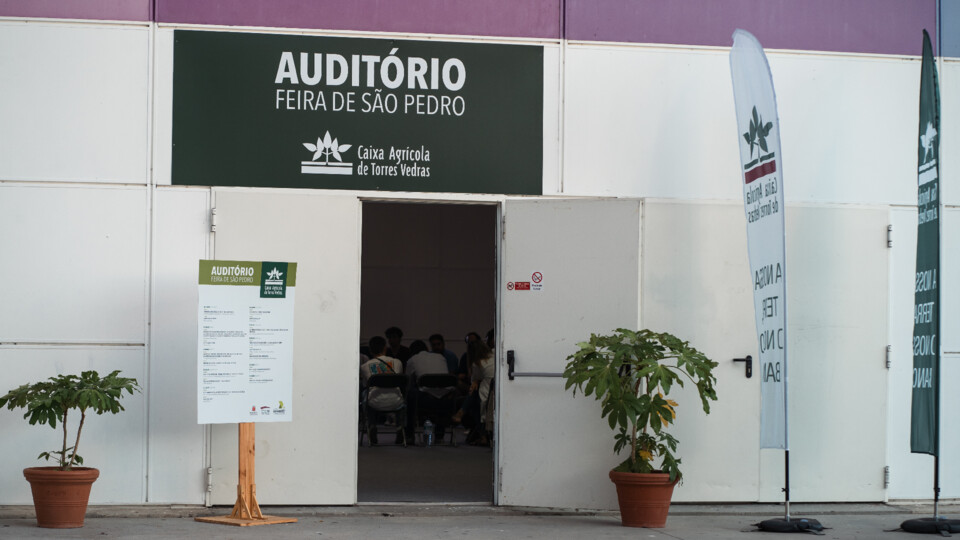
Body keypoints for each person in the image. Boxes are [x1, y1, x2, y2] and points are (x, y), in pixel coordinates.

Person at [404, 340, 456, 440]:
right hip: (447, 400)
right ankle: (439, 434)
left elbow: (407, 381)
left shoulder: (413, 359)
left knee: (411, 394)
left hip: (425, 400)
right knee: (438, 395)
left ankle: (409, 435)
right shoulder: (440, 357)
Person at [360, 336, 403, 444]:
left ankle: (372, 425)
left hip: (374, 402)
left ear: (370, 350)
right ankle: (399, 427)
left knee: (365, 392)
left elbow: (366, 384)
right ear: (385, 348)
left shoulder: (365, 366)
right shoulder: (397, 362)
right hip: (396, 401)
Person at [451, 338, 495, 446]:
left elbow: (473, 378)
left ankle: (461, 413)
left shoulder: (478, 363)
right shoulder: (494, 355)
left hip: (487, 392)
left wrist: (475, 381)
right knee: (474, 396)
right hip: (494, 389)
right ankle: (462, 413)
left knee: (474, 396)